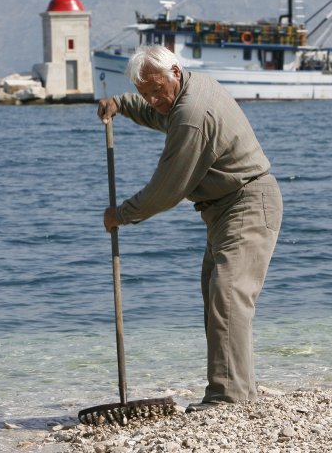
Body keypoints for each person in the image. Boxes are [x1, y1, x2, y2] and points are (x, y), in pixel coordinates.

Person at [96, 44, 283, 412]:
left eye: (155, 89)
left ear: (175, 72)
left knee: (227, 296)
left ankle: (227, 398)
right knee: (221, 300)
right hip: (224, 208)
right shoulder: (187, 93)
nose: (151, 98)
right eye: (143, 93)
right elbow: (161, 114)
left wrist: (121, 214)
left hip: (245, 202)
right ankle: (238, 393)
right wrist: (122, 103)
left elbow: (167, 189)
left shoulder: (192, 113)